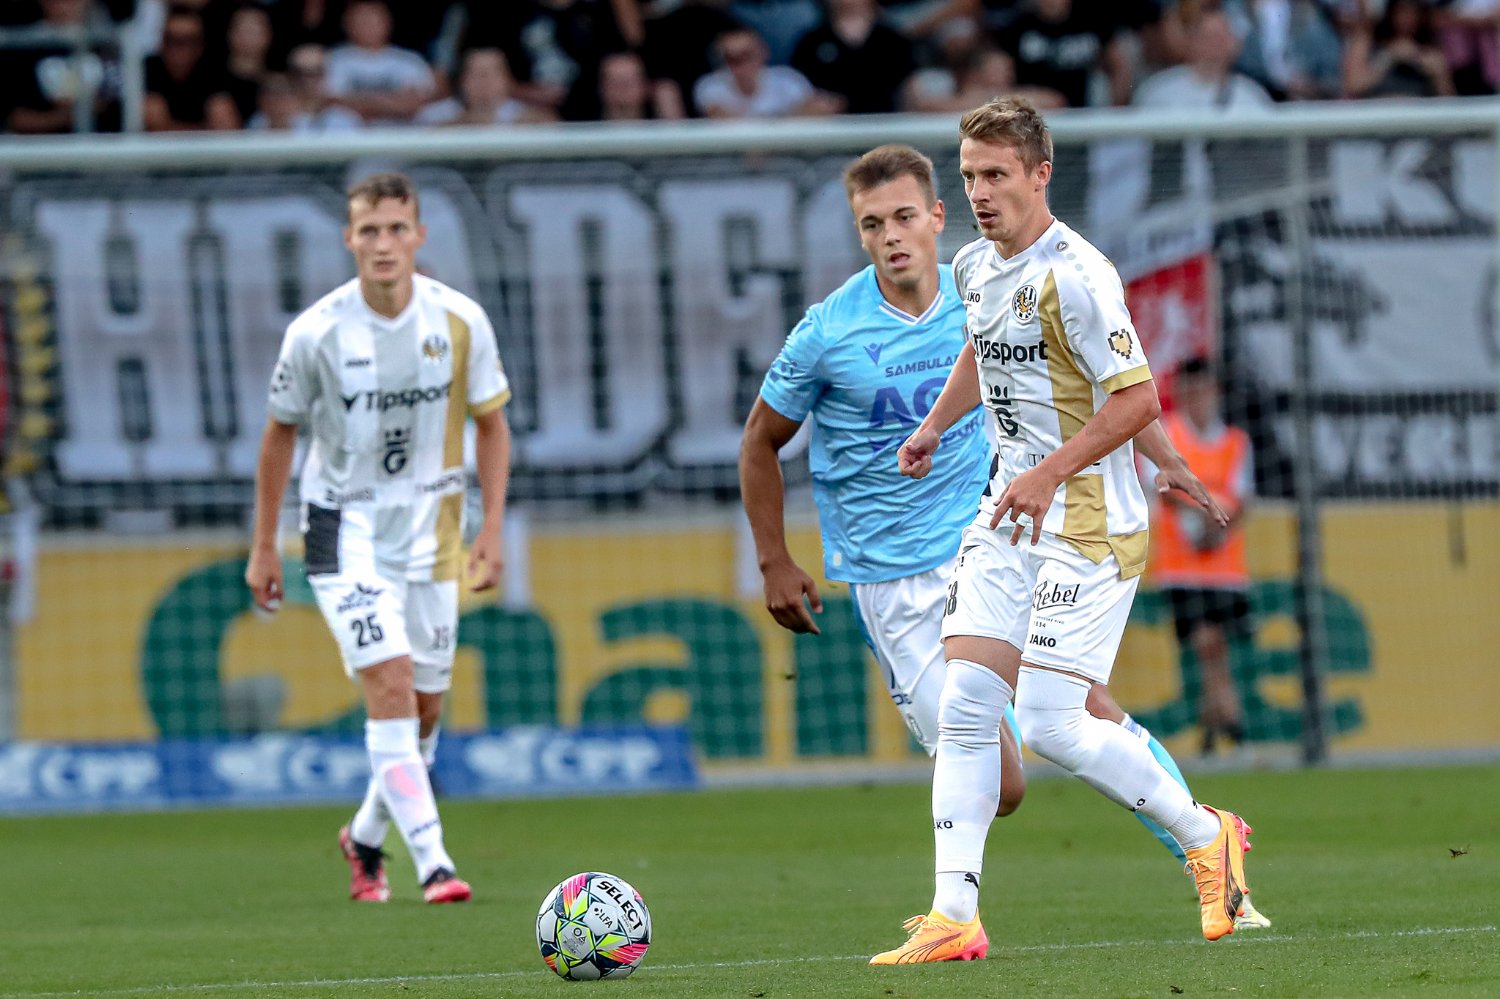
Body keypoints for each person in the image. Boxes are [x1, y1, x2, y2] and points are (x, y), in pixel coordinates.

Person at [739, 141, 1269, 938]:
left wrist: (1160, 454)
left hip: (997, 525)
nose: (891, 235)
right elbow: (759, 439)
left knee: (1075, 707)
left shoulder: (1002, 280)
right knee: (1009, 776)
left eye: (905, 217)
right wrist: (774, 557)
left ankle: (1204, 858)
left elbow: (1109, 386)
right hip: (892, 574)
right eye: (873, 224)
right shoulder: (829, 331)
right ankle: (1186, 840)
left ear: (935, 218)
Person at [870, 99, 1257, 963]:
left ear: (1040, 174)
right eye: (969, 175)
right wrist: (934, 425)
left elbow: (1137, 394)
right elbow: (984, 352)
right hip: (1010, 508)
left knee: (1049, 725)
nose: (979, 192)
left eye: (996, 174)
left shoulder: (1079, 274)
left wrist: (1068, 469)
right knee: (968, 703)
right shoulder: (974, 264)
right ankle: (953, 914)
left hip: (1088, 522)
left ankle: (1206, 834)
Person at [246, 173, 513, 904]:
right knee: (390, 682)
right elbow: (278, 435)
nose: (384, 243)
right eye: (370, 230)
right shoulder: (316, 333)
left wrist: (492, 526)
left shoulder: (459, 320)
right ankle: (434, 862)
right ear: (349, 240)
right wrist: (264, 543)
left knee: (423, 711)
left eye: (397, 228)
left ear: (419, 236)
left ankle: (364, 836)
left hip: (433, 531)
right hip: (344, 528)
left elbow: (492, 426)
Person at [1148, 356, 1255, 754]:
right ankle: (1231, 718)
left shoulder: (1235, 442)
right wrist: (1199, 514)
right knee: (1207, 644)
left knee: (1215, 647)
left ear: (1215, 392)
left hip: (1225, 569)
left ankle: (1215, 725)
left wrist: (1218, 526)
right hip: (1182, 568)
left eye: (1204, 390)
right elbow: (1158, 486)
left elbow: (1243, 497)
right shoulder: (1167, 434)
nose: (1197, 398)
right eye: (1190, 391)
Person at [1132, 10, 1274, 110]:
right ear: (1191, 41)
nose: (1215, 44)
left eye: (1222, 37)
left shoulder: (1251, 94)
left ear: (1234, 45)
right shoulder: (1159, 89)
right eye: (1208, 37)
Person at [325, 0, 438, 125]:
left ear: (388, 22)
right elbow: (332, 100)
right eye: (362, 20)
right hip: (352, 130)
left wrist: (367, 103)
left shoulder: (409, 60)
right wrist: (387, 103)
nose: (368, 26)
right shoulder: (334, 60)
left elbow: (417, 101)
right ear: (346, 24)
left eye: (373, 20)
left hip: (403, 127)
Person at [693, 26, 840, 118]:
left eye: (747, 55)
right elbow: (724, 121)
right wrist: (787, 117)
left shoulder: (788, 79)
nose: (741, 64)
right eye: (732, 58)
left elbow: (817, 110)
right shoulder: (710, 85)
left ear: (763, 52)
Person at [415, 47, 555, 126]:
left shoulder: (526, 116)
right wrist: (463, 122)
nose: (484, 81)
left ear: (507, 80)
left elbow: (553, 125)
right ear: (462, 80)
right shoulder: (434, 115)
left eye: (491, 73)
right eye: (475, 73)